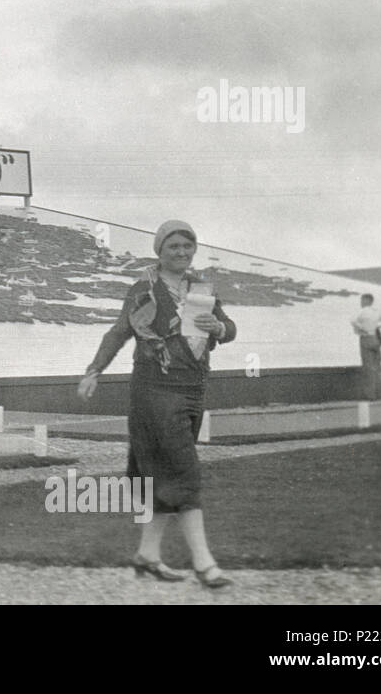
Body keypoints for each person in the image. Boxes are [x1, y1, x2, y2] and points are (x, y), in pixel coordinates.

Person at [76, 220, 237, 589]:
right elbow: (118, 332)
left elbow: (228, 327)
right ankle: (204, 563)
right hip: (154, 391)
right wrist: (94, 371)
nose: (181, 252)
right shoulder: (143, 290)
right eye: (173, 247)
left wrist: (220, 329)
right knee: (184, 472)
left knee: (161, 474)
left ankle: (147, 556)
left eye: (187, 246)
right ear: (159, 251)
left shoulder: (200, 289)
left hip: (193, 389)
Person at [351, 294, 381, 401]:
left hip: (366, 339)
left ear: (365, 301)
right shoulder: (376, 312)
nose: (360, 303)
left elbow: (352, 321)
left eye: (361, 300)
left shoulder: (363, 311)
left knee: (368, 368)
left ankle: (370, 395)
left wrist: (362, 328)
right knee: (378, 367)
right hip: (375, 339)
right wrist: (377, 326)